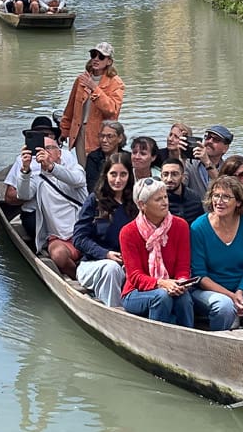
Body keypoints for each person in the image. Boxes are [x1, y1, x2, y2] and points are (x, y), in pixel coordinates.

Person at [189, 176, 243, 332]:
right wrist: (231, 296)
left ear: (238, 202)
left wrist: (240, 291)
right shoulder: (198, 227)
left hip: (241, 286)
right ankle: (219, 342)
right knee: (225, 306)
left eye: (226, 197)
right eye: (216, 196)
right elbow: (200, 276)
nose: (219, 201)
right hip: (208, 290)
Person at [119, 177, 194, 326]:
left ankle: (190, 335)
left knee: (184, 298)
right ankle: (156, 337)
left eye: (165, 197)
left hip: (172, 286)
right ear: (142, 204)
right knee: (161, 296)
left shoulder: (181, 226)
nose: (165, 202)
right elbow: (135, 276)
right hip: (136, 292)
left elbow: (183, 267)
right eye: (158, 199)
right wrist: (161, 283)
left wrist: (181, 282)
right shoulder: (128, 232)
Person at [18, 127, 86, 274]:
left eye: (48, 148)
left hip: (84, 232)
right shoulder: (38, 178)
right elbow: (23, 194)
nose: (45, 152)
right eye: (41, 148)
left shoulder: (74, 169)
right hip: (58, 238)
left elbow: (76, 180)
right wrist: (25, 170)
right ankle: (76, 276)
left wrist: (51, 167)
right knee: (58, 255)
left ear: (59, 153)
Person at [72, 154, 136, 307]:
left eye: (123, 174)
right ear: (106, 175)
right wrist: (105, 254)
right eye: (113, 174)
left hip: (128, 264)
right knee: (111, 269)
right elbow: (79, 238)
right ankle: (114, 311)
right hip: (94, 263)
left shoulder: (135, 202)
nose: (118, 180)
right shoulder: (94, 200)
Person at [58, 43, 124, 160]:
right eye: (93, 55)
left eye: (101, 57)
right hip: (80, 132)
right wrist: (64, 130)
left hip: (102, 134)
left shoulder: (116, 83)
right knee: (83, 167)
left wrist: (94, 88)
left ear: (109, 61)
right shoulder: (81, 80)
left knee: (101, 167)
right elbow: (70, 108)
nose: (96, 59)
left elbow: (112, 110)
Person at [186, 124, 233, 209]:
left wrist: (207, 162)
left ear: (225, 148)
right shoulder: (189, 164)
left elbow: (226, 190)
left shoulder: (228, 169)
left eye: (216, 139)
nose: (210, 141)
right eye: (207, 137)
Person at [86, 118, 126, 193]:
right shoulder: (93, 158)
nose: (104, 140)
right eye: (102, 136)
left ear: (120, 138)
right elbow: (92, 185)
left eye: (109, 136)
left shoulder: (127, 157)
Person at [159, 157, 202, 224]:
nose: (169, 179)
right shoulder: (157, 200)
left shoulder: (194, 198)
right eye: (165, 175)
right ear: (161, 177)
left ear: (183, 177)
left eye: (174, 174)